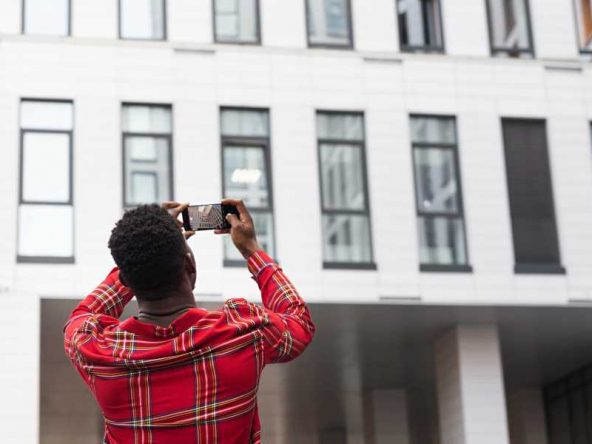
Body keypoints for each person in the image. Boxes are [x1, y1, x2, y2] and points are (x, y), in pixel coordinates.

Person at [63, 199, 315, 443]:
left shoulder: (97, 352)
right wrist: (251, 249)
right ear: (190, 267)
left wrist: (137, 257)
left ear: (126, 281)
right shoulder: (244, 333)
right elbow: (299, 322)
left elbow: (81, 316)